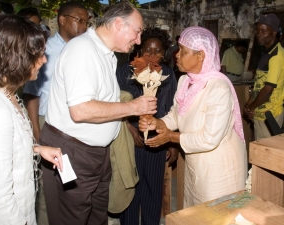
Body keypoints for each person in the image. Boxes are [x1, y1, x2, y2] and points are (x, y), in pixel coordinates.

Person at [40, 2, 157, 225]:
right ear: (118, 23)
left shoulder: (106, 54)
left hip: (94, 153)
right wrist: (133, 108)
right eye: (137, 31)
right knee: (72, 218)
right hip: (72, 152)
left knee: (96, 217)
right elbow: (81, 110)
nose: (139, 40)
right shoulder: (83, 50)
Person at [0, 14, 63, 224]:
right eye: (39, 54)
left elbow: (1, 148)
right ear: (17, 58)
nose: (44, 60)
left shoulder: (4, 93)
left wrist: (37, 150)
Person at [139, 26, 247, 208]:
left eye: (183, 51)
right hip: (197, 163)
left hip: (219, 168)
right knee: (196, 211)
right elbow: (176, 114)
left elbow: (209, 139)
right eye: (178, 49)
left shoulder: (218, 87)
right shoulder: (185, 80)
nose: (177, 55)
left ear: (201, 56)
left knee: (216, 215)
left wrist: (170, 137)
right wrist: (158, 123)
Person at [22, 2, 89, 224]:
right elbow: (32, 95)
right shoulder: (46, 50)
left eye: (86, 21)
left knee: (73, 185)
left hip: (76, 125)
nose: (83, 25)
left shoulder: (86, 50)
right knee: (48, 188)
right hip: (47, 123)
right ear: (62, 20)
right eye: (78, 20)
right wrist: (36, 131)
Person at [116, 27, 178, 225]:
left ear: (164, 54)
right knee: (131, 189)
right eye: (147, 50)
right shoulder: (125, 71)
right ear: (139, 50)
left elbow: (173, 110)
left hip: (157, 139)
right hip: (129, 138)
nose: (152, 55)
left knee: (153, 189)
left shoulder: (168, 75)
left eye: (157, 51)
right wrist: (128, 127)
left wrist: (172, 142)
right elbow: (115, 104)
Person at [244, 13, 284, 140]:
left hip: (270, 115)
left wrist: (251, 107)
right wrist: (248, 104)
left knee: (267, 155)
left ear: (274, 33)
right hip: (259, 113)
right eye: (257, 30)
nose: (258, 34)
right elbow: (259, 84)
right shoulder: (266, 53)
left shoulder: (276, 56)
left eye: (263, 31)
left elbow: (267, 90)